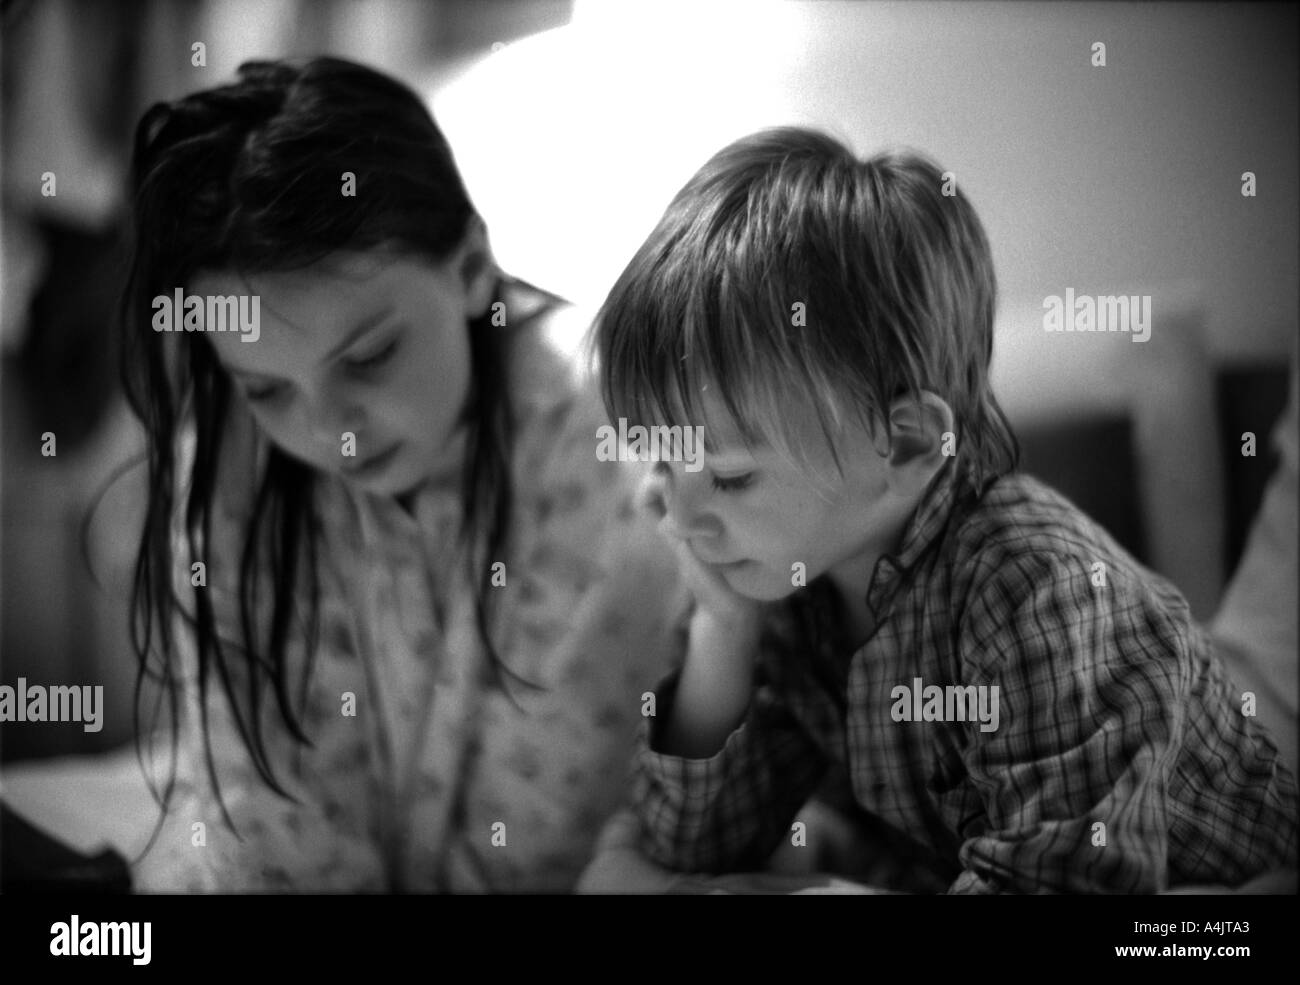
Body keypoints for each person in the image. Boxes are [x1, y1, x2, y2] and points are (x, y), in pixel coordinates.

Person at [591, 127, 1298, 893]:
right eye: (665, 460)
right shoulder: (789, 589)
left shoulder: (1038, 593)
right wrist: (723, 631)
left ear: (906, 446)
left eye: (729, 478)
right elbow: (689, 840)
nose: (682, 516)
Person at [121, 57, 680, 892]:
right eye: (266, 388)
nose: (327, 430)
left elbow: (537, 845)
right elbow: (264, 827)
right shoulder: (232, 458)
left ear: (469, 266)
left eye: (370, 356)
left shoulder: (601, 427)